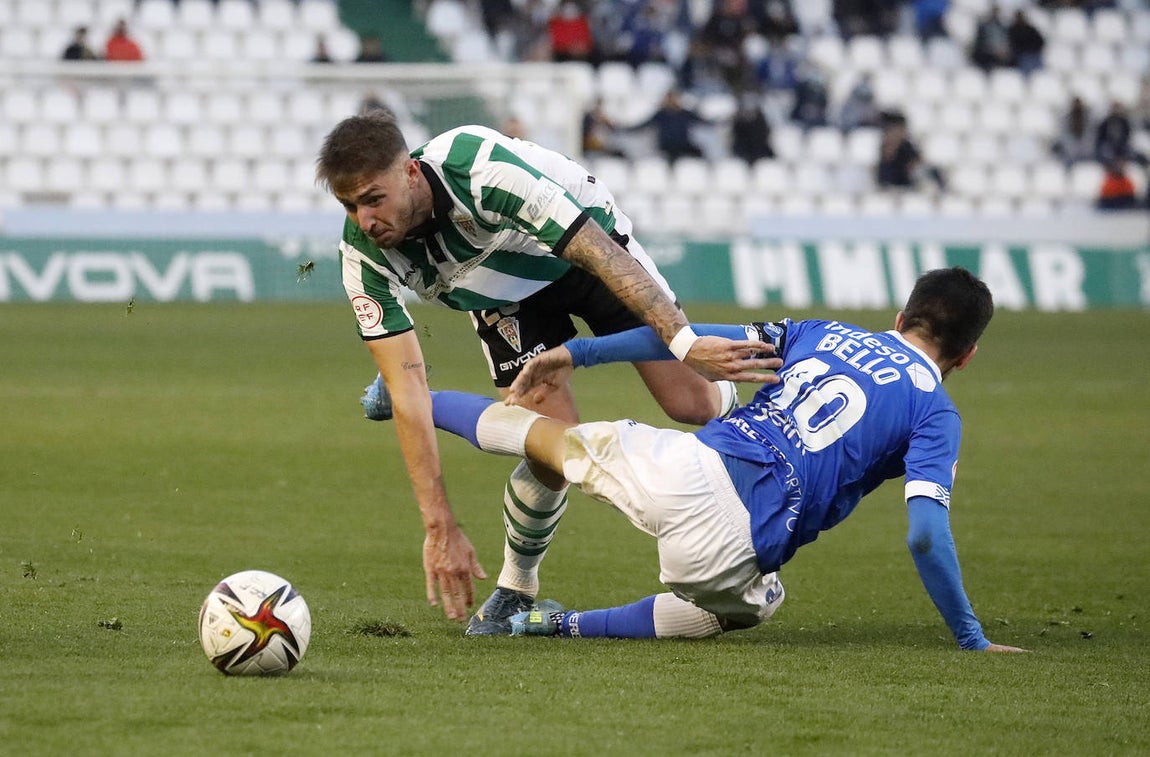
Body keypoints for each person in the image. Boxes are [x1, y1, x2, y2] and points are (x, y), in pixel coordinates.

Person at [427, 266, 1028, 653]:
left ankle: (409, 400)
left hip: (686, 465)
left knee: (546, 440)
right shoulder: (937, 415)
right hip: (735, 549)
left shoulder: (820, 332)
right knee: (745, 610)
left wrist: (578, 353)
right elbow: (925, 536)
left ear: (900, 318)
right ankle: (550, 626)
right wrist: (970, 638)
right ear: (968, 355)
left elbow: (686, 335)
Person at [316, 113, 759, 633]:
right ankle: (514, 591)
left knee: (693, 404)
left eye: (373, 199)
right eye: (350, 205)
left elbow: (594, 248)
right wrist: (439, 528)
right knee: (554, 450)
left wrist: (685, 343)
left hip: (589, 255)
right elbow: (409, 384)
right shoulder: (362, 255)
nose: (365, 219)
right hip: (506, 302)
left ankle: (752, 406)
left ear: (411, 173)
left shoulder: (481, 172)